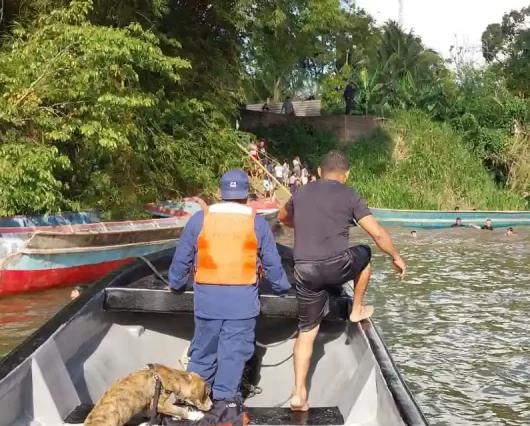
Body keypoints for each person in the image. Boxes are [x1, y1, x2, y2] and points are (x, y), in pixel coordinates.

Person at [278, 150, 405, 411]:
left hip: (304, 270)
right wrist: (396, 257)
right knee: (365, 255)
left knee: (306, 332)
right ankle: (356, 310)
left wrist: (300, 223)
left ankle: (298, 393)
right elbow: (377, 234)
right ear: (346, 175)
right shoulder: (351, 195)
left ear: (320, 173)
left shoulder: (302, 192)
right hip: (336, 267)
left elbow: (282, 218)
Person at [169, 169, 291, 410]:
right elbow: (273, 265)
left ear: (219, 193)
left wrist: (175, 284)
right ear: (247, 196)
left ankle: (193, 403)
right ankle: (224, 407)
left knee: (202, 355)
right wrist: (283, 288)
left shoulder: (199, 219)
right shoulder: (257, 223)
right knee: (233, 356)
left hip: (207, 303)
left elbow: (181, 260)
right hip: (242, 306)